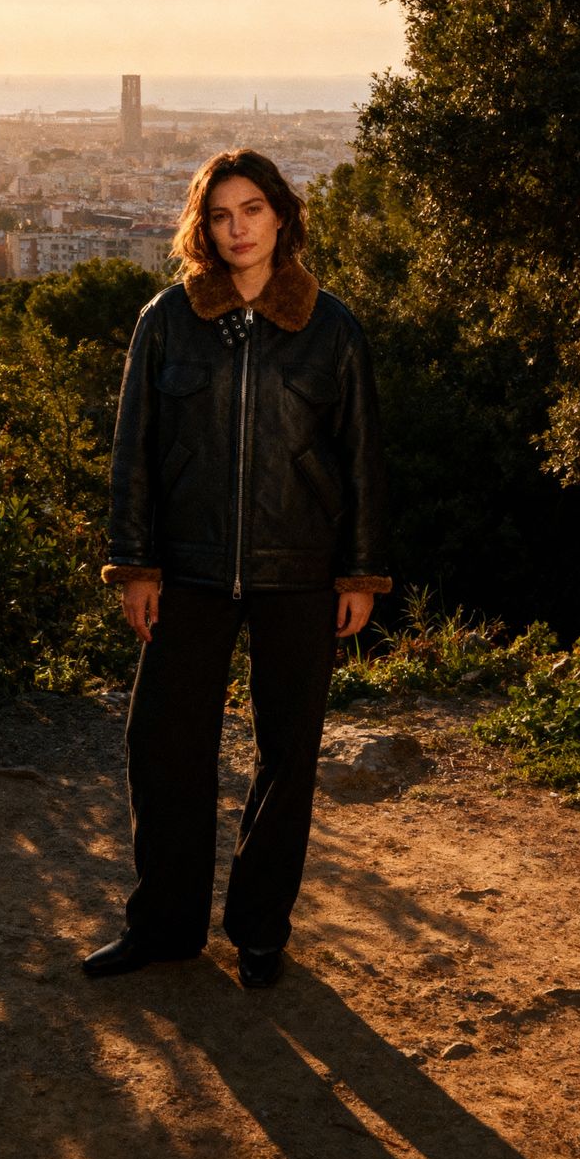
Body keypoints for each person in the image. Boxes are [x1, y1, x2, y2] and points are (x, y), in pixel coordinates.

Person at [81, 147, 391, 988]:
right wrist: (134, 566)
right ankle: (164, 927)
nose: (237, 228)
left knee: (288, 755)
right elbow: (133, 452)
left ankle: (259, 931)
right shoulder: (166, 320)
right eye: (220, 215)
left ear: (281, 216)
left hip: (301, 569)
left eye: (251, 209)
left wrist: (360, 574)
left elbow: (362, 460)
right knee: (162, 745)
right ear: (203, 228)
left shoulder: (331, 328)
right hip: (187, 567)